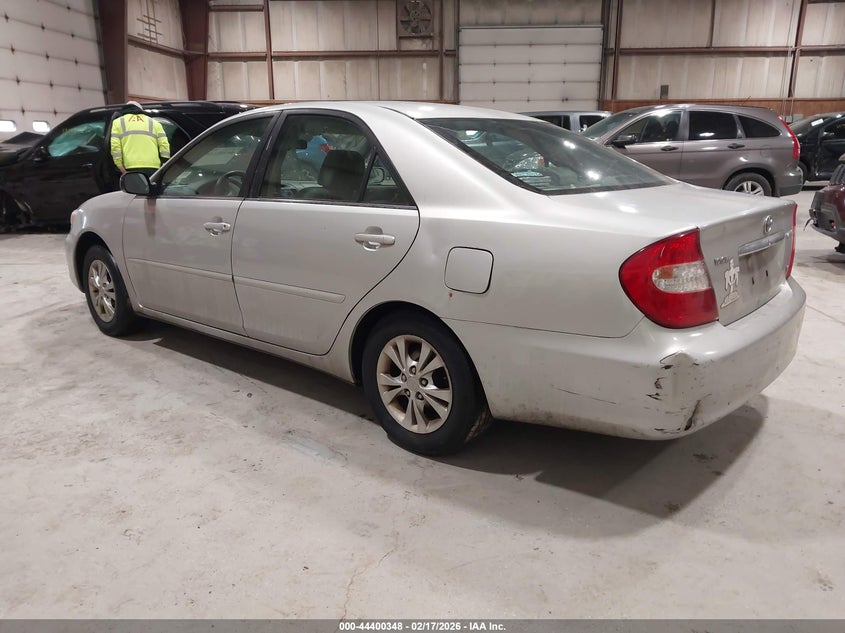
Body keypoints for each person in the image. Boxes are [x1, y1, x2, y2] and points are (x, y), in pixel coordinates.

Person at [109, 101, 170, 177]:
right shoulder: (154, 123)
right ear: (140, 110)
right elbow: (164, 144)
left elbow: (115, 147)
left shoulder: (118, 122)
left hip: (130, 167)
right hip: (153, 167)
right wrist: (164, 163)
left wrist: (121, 167)